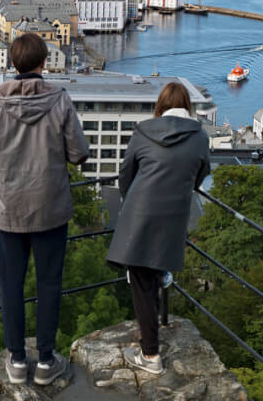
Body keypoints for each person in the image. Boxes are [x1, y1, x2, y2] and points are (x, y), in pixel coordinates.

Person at [0, 33, 90, 385]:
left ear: (13, 63)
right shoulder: (60, 101)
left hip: (6, 207)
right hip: (49, 206)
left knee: (11, 284)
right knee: (49, 284)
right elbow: (78, 152)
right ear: (44, 63)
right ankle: (45, 360)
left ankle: (16, 359)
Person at [106, 81, 211, 375]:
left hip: (141, 212)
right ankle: (162, 274)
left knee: (140, 281)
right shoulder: (199, 136)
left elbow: (126, 173)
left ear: (161, 106)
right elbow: (201, 173)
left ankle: (150, 355)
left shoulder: (142, 132)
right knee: (151, 271)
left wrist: (130, 200)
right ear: (187, 106)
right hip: (174, 213)